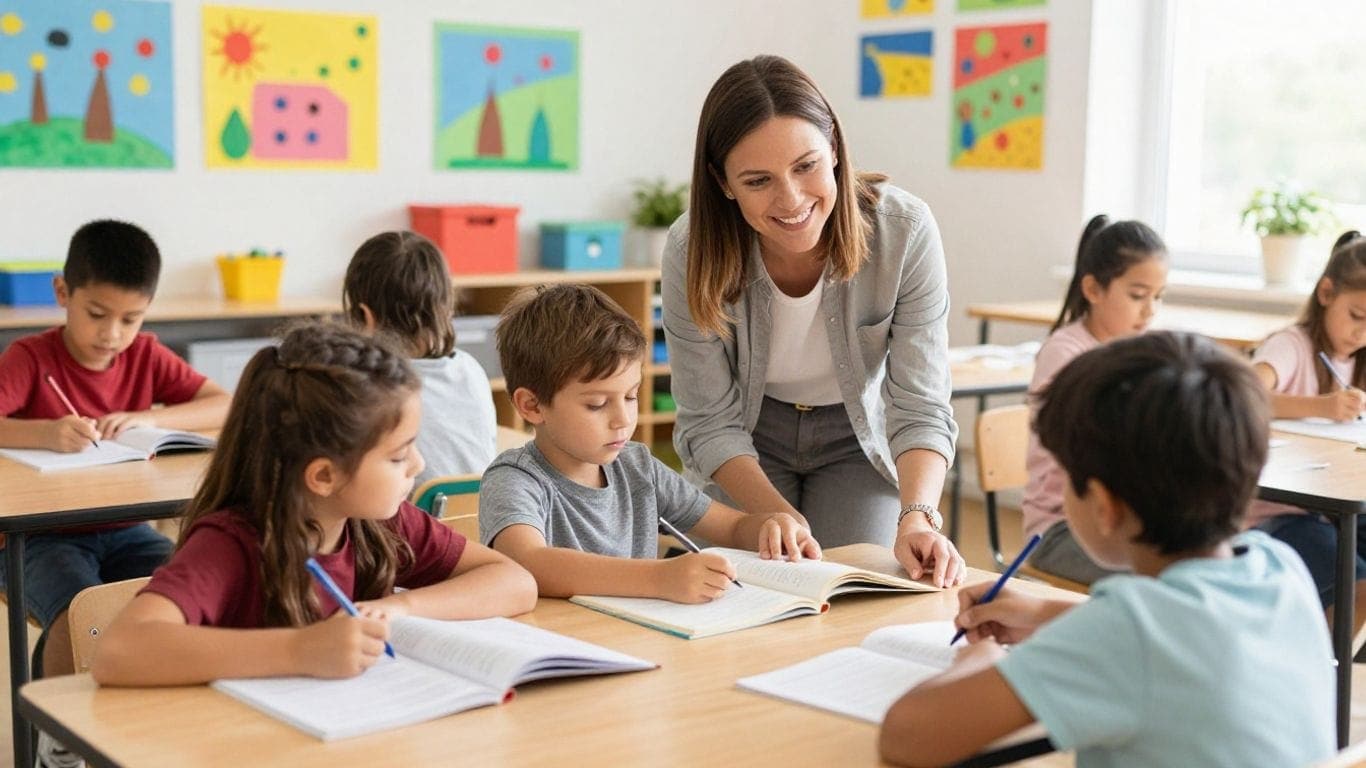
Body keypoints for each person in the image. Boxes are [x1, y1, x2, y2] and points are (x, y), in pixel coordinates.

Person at [879, 331, 1334, 768]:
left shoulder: (1132, 635)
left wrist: (982, 661)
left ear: (1104, 506)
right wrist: (1044, 613)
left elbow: (906, 734)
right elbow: (1180, 638)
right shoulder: (1278, 565)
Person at [92, 323, 537, 686]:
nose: (418, 465)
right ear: (324, 476)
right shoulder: (233, 542)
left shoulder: (380, 523)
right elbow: (119, 650)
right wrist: (298, 650)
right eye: (398, 456)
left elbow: (515, 581)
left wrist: (401, 609)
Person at [661, 55, 961, 585]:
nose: (792, 199)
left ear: (836, 151)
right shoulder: (692, 249)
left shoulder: (905, 231)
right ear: (723, 182)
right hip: (747, 438)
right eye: (758, 180)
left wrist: (919, 517)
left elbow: (920, 403)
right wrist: (776, 517)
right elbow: (708, 420)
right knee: (747, 585)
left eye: (806, 166)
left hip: (857, 440)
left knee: (856, 584)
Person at [480, 284, 820, 603]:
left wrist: (769, 527)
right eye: (597, 404)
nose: (623, 419)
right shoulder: (514, 479)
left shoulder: (638, 467)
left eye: (630, 396)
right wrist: (659, 578)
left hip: (637, 637)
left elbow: (731, 527)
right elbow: (528, 562)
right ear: (532, 406)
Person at [1021, 214, 1167, 585]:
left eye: (1157, 297)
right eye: (1138, 296)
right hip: (1060, 530)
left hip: (1123, 522)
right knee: (1161, 580)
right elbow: (1096, 451)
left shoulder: (1140, 353)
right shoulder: (1065, 354)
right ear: (1093, 289)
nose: (1150, 310)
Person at [1249, 230, 1366, 629]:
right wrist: (1322, 407)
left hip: (1327, 511)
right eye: (1356, 316)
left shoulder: (1357, 358)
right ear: (1326, 293)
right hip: (1272, 514)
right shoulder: (1292, 345)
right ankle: (1323, 658)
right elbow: (1245, 393)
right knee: (1356, 586)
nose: (1361, 333)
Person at [343, 230, 498, 484]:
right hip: (481, 506)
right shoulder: (471, 368)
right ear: (446, 306)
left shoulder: (370, 387)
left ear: (365, 317)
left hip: (413, 509)